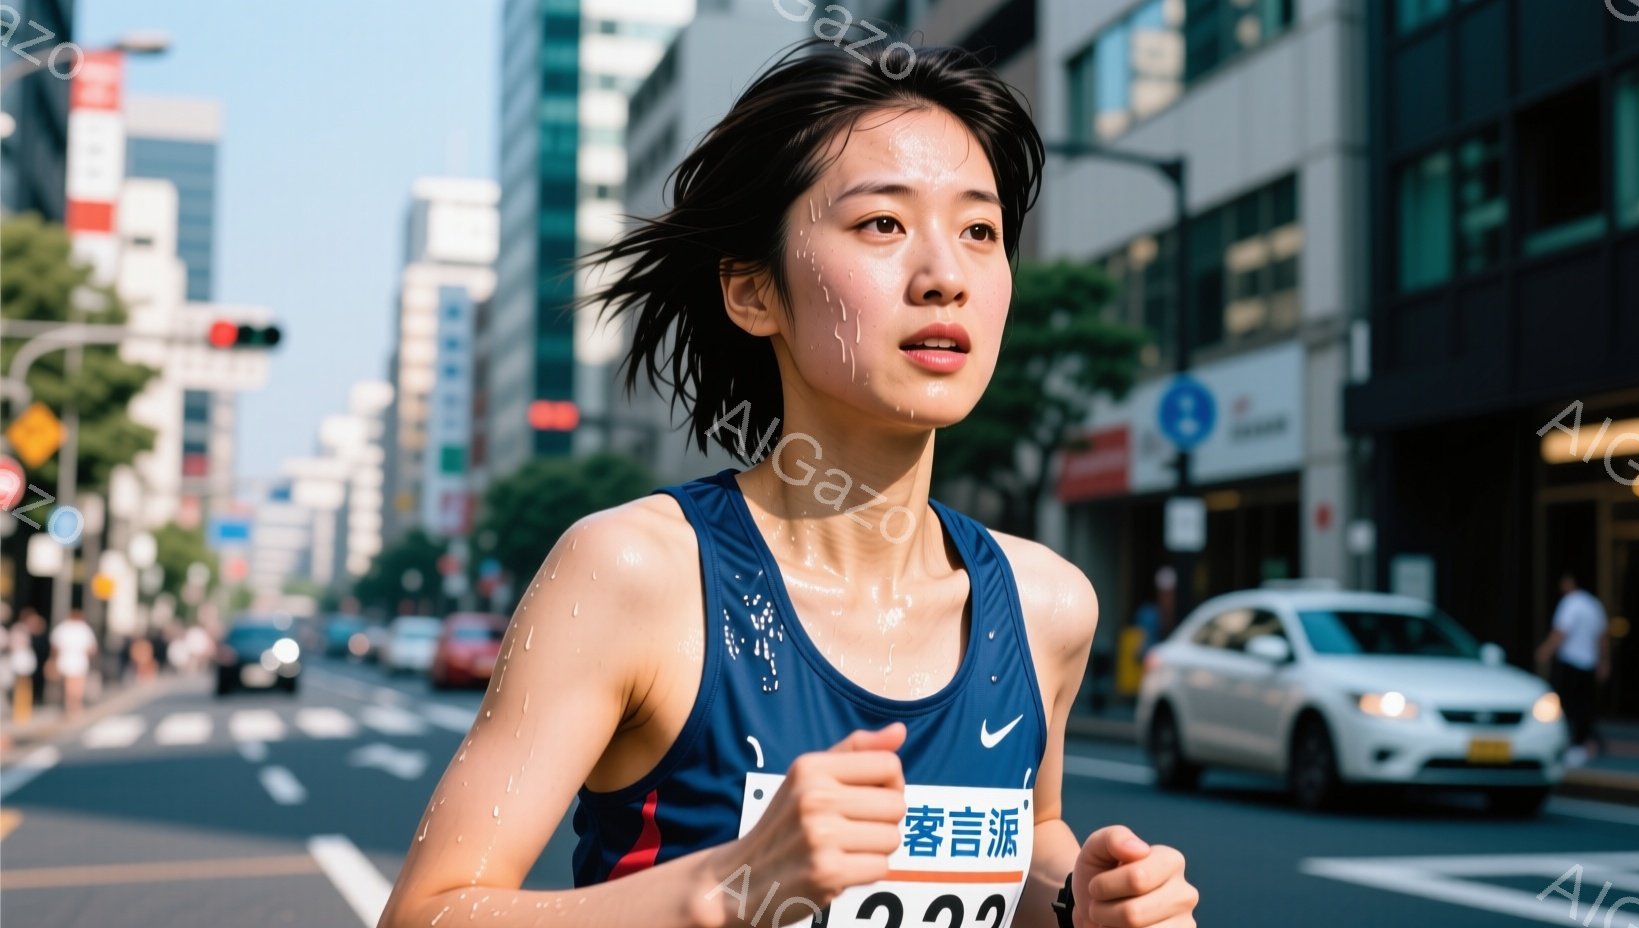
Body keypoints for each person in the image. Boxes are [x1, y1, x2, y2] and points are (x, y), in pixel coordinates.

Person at [379, 40, 1199, 928]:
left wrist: (1085, 899)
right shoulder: (636, 576)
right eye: (882, 224)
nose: (946, 277)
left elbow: (1028, 844)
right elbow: (426, 914)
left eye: (979, 231)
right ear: (753, 292)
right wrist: (729, 887)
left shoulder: (1048, 608)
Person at [1535, 571, 1609, 767]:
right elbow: (1602, 637)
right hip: (1589, 662)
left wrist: (1545, 650)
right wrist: (1603, 662)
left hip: (1571, 661)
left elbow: (1561, 632)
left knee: (1565, 705)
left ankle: (1569, 744)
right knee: (1584, 705)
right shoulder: (1594, 604)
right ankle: (1581, 743)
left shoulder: (1571, 603)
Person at [49, 609, 100, 722]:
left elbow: (55, 646)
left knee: (68, 685)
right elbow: (92, 648)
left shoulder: (62, 628)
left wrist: (54, 660)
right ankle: (76, 705)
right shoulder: (84, 628)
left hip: (65, 660)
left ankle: (70, 705)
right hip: (80, 661)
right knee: (78, 685)